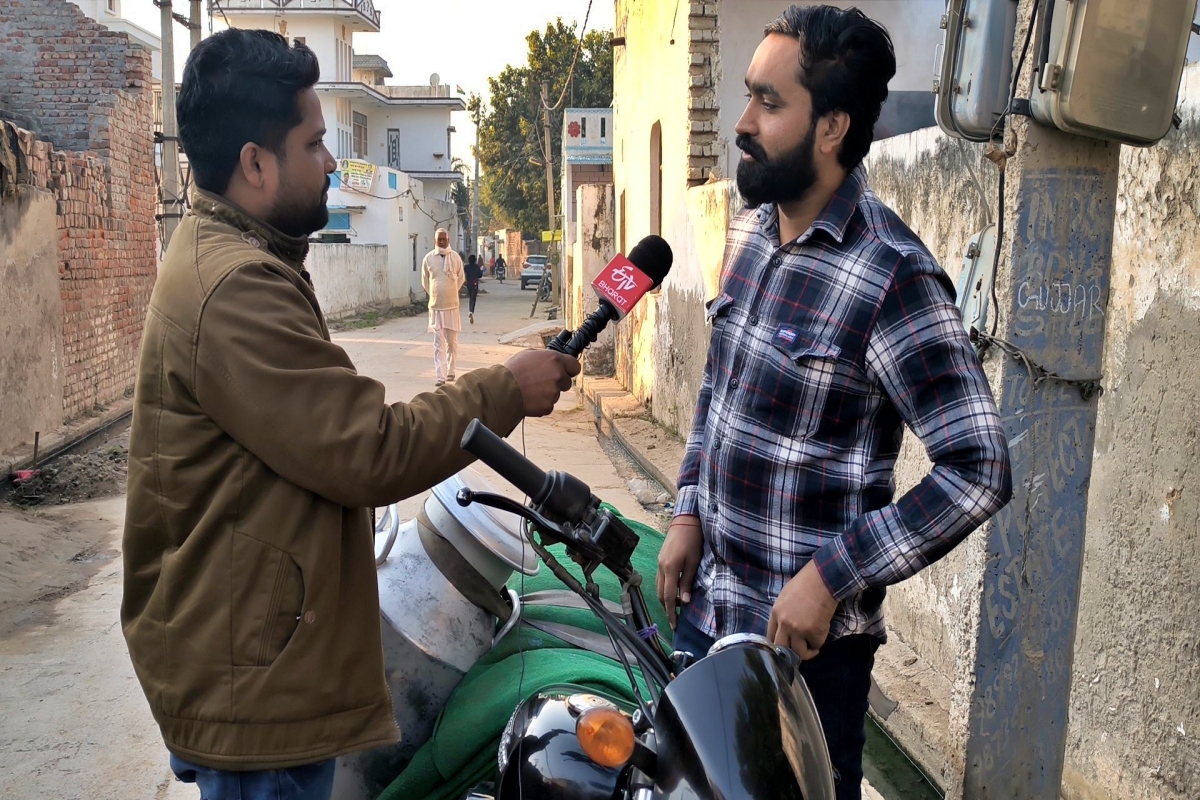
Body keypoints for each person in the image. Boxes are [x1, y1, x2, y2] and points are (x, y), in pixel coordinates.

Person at [121, 29, 580, 800]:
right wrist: (503, 389)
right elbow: (369, 449)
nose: (333, 163)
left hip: (257, 664)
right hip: (251, 689)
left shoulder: (235, 256)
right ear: (256, 163)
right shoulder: (234, 287)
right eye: (315, 143)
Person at [655, 7, 1012, 797]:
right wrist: (687, 510)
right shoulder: (750, 236)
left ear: (832, 127)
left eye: (770, 104)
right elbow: (719, 391)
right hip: (706, 612)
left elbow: (978, 467)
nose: (743, 124)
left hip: (806, 661)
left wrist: (834, 574)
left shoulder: (893, 275)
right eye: (749, 96)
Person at [421, 230, 464, 385]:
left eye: (444, 239)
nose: (441, 242)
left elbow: (461, 278)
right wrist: (435, 294)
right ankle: (441, 376)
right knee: (438, 343)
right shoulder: (428, 258)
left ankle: (451, 371)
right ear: (435, 241)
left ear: (448, 239)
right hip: (436, 307)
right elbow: (425, 282)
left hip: (452, 306)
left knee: (452, 342)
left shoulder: (455, 257)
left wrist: (451, 292)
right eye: (439, 239)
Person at [464, 253, 483, 324]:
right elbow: (480, 275)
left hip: (469, 284)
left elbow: (464, 274)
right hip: (475, 283)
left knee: (470, 297)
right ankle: (471, 311)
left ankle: (470, 311)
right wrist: (480, 271)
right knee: (473, 298)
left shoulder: (466, 267)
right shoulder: (477, 267)